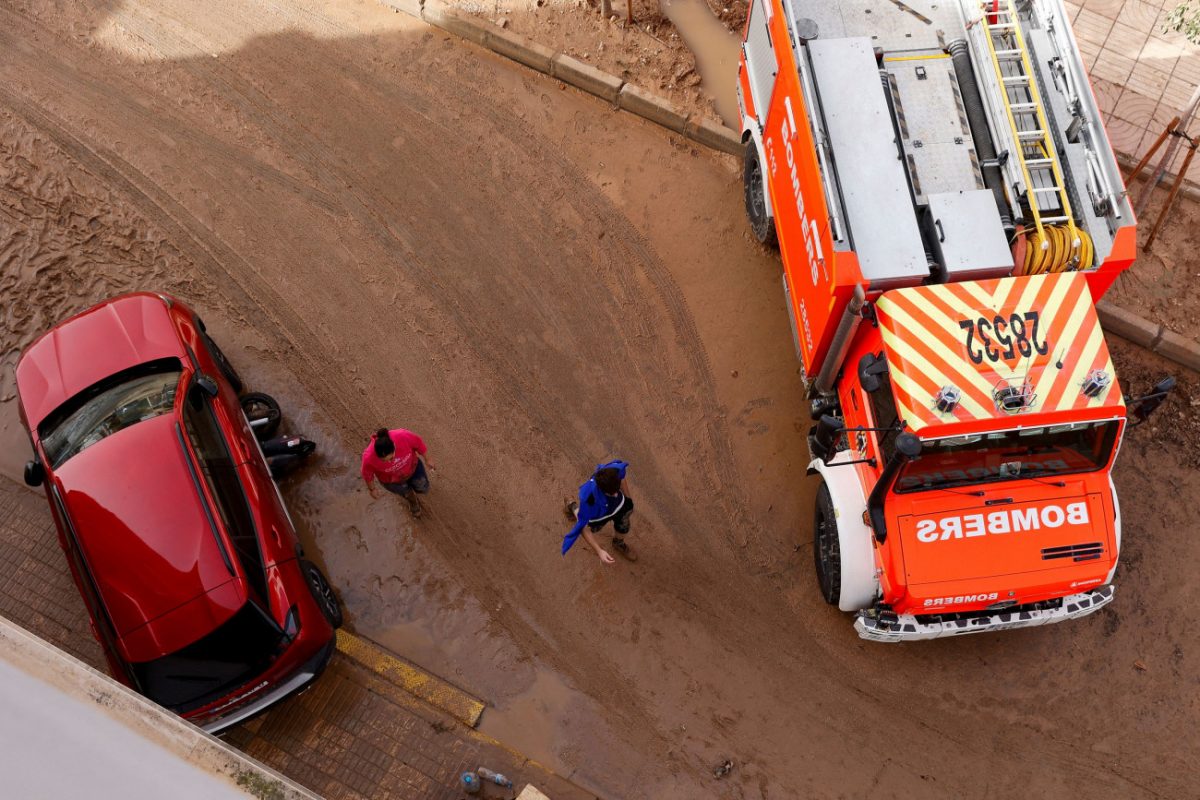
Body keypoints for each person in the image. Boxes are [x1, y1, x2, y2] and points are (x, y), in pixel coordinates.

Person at [561, 460, 636, 564]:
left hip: (617, 508)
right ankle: (572, 506)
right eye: (612, 493)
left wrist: (628, 499)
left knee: (624, 525)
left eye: (617, 490)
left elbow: (621, 478)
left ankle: (618, 543)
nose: (616, 495)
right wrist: (599, 551)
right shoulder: (589, 500)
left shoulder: (613, 471)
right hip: (598, 515)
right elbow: (583, 527)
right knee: (583, 519)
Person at [362, 427, 433, 517]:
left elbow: (418, 443)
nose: (390, 462)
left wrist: (428, 459)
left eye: (391, 458)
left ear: (394, 446)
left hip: (413, 467)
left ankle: (417, 489)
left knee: (423, 487)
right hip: (392, 481)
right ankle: (413, 501)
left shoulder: (402, 435)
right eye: (384, 461)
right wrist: (372, 489)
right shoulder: (368, 457)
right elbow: (367, 474)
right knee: (407, 493)